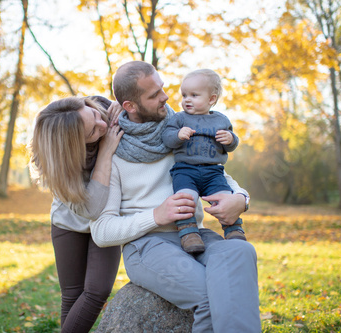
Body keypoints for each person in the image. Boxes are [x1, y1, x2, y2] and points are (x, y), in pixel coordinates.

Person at [90, 61, 260, 332]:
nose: (166, 97)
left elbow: (217, 174)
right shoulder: (114, 151)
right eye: (154, 94)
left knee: (241, 249)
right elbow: (101, 231)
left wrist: (241, 199)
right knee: (213, 294)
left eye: (163, 89)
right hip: (148, 245)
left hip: (197, 237)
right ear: (130, 106)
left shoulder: (180, 130)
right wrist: (157, 215)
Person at [28, 96, 123, 333]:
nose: (103, 126)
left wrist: (128, 105)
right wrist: (106, 151)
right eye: (92, 133)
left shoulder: (102, 108)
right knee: (71, 294)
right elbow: (90, 208)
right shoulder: (54, 162)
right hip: (69, 222)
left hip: (106, 218)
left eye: (95, 116)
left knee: (97, 290)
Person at [162, 68, 247, 254]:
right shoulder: (179, 118)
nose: (187, 99)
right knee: (186, 199)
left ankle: (233, 229)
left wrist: (230, 139)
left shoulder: (221, 120)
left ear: (211, 99)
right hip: (185, 169)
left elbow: (231, 145)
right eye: (184, 95)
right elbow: (167, 138)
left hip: (213, 171)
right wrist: (178, 135)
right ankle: (188, 233)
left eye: (194, 95)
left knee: (225, 197)